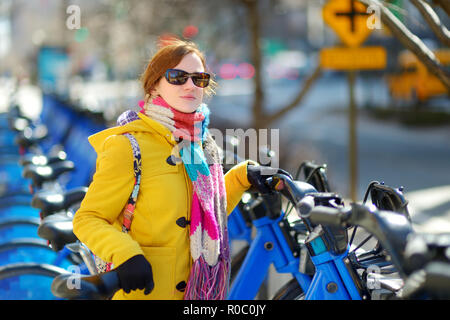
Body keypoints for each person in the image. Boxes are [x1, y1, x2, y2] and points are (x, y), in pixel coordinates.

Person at [73, 39, 287, 300]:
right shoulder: (128, 146)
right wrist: (125, 254)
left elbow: (209, 212)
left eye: (199, 78)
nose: (190, 85)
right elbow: (88, 219)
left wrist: (243, 176)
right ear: (154, 85)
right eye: (177, 77)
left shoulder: (202, 144)